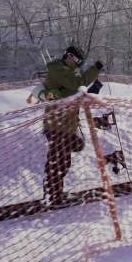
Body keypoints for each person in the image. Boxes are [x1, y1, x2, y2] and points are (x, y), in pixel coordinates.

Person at [42, 45, 104, 206]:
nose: (77, 64)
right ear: (68, 56)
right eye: (76, 60)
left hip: (66, 124)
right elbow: (77, 83)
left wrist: (91, 90)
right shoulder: (58, 70)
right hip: (57, 125)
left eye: (79, 62)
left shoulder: (67, 71)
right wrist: (94, 69)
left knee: (61, 160)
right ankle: (53, 196)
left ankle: (54, 193)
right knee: (58, 160)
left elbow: (75, 91)